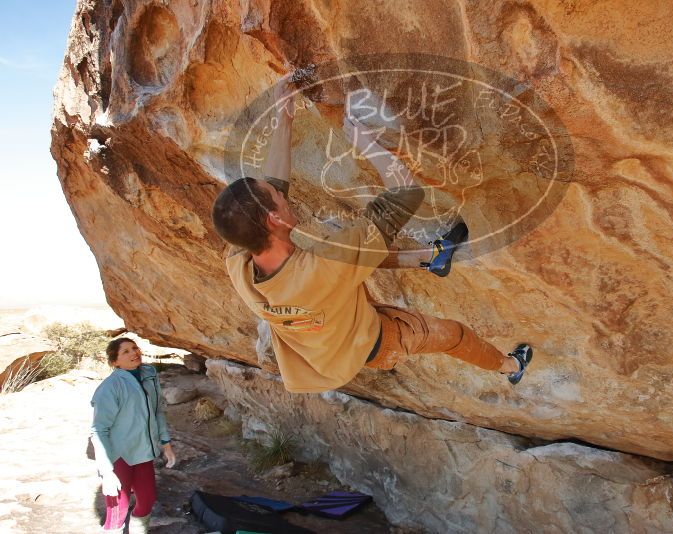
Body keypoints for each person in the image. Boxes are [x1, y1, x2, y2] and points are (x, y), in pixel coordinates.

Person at [211, 72, 533, 394]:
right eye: (279, 198)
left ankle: (432, 258)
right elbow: (406, 193)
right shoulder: (327, 265)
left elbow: (272, 190)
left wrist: (284, 115)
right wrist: (363, 140)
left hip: (326, 334)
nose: (284, 194)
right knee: (454, 335)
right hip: (375, 340)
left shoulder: (238, 257)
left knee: (358, 252)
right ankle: (510, 366)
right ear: (273, 220)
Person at [89, 338, 176, 534]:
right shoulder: (110, 388)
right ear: (115, 362)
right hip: (119, 455)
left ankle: (138, 529)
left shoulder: (148, 374)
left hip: (143, 450)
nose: (134, 353)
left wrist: (166, 443)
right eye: (125, 351)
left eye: (134, 348)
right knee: (117, 507)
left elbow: (157, 410)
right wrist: (107, 472)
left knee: (147, 500)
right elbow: (98, 430)